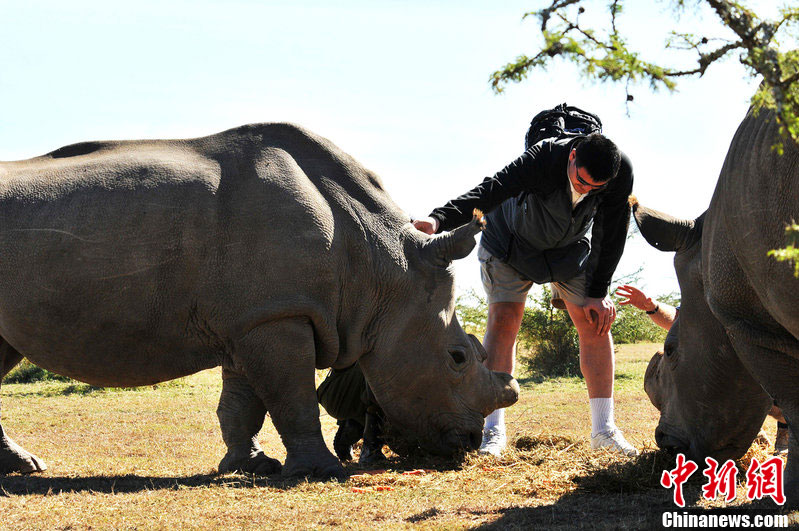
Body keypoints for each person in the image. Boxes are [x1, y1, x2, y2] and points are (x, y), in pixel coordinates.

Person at [414, 132, 637, 457]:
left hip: (567, 251)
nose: (585, 190)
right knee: (504, 321)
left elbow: (613, 231)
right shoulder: (544, 158)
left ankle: (604, 431)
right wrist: (439, 220)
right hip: (509, 244)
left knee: (595, 321)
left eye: (595, 188)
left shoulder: (619, 175)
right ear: (572, 157)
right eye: (582, 181)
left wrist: (598, 291)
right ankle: (492, 432)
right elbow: (491, 190)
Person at [616, 284, 789, 455]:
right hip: (721, 373)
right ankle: (743, 430)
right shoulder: (716, 289)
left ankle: (787, 433)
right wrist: (652, 307)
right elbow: (680, 320)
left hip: (763, 369)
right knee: (660, 367)